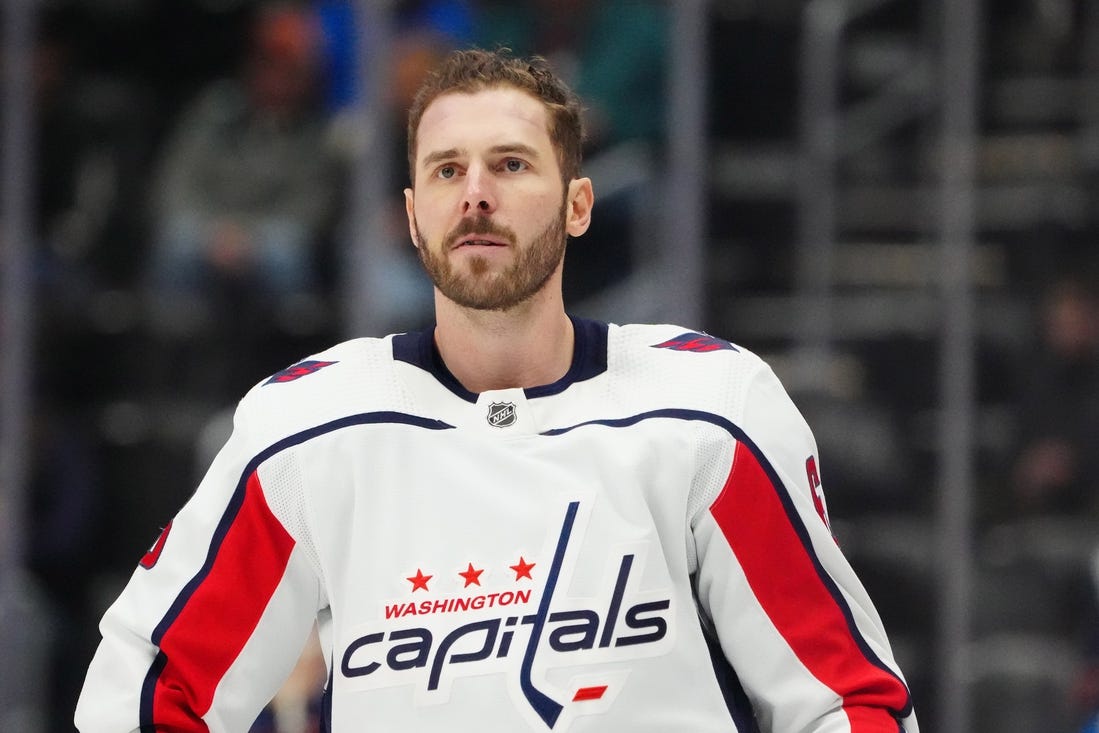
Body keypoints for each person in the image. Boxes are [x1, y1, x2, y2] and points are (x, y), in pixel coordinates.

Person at [75, 48, 919, 732]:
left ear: (578, 203)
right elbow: (147, 688)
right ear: (411, 217)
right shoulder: (307, 430)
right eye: (446, 171)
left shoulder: (711, 410)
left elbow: (845, 700)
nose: (475, 191)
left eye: (510, 164)